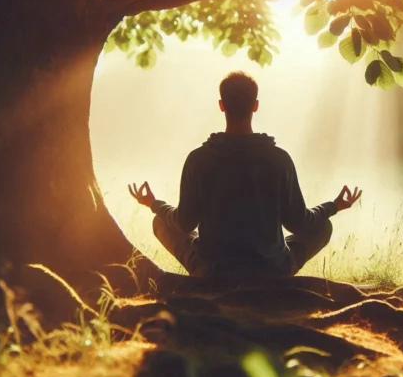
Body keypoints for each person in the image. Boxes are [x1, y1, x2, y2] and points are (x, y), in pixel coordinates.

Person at [128, 71, 361, 278]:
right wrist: (333, 207)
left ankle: (205, 275)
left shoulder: (199, 159)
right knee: (323, 227)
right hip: (272, 270)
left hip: (213, 270)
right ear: (255, 105)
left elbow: (184, 223)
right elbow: (299, 224)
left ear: (222, 105)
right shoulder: (279, 159)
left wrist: (155, 204)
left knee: (161, 221)